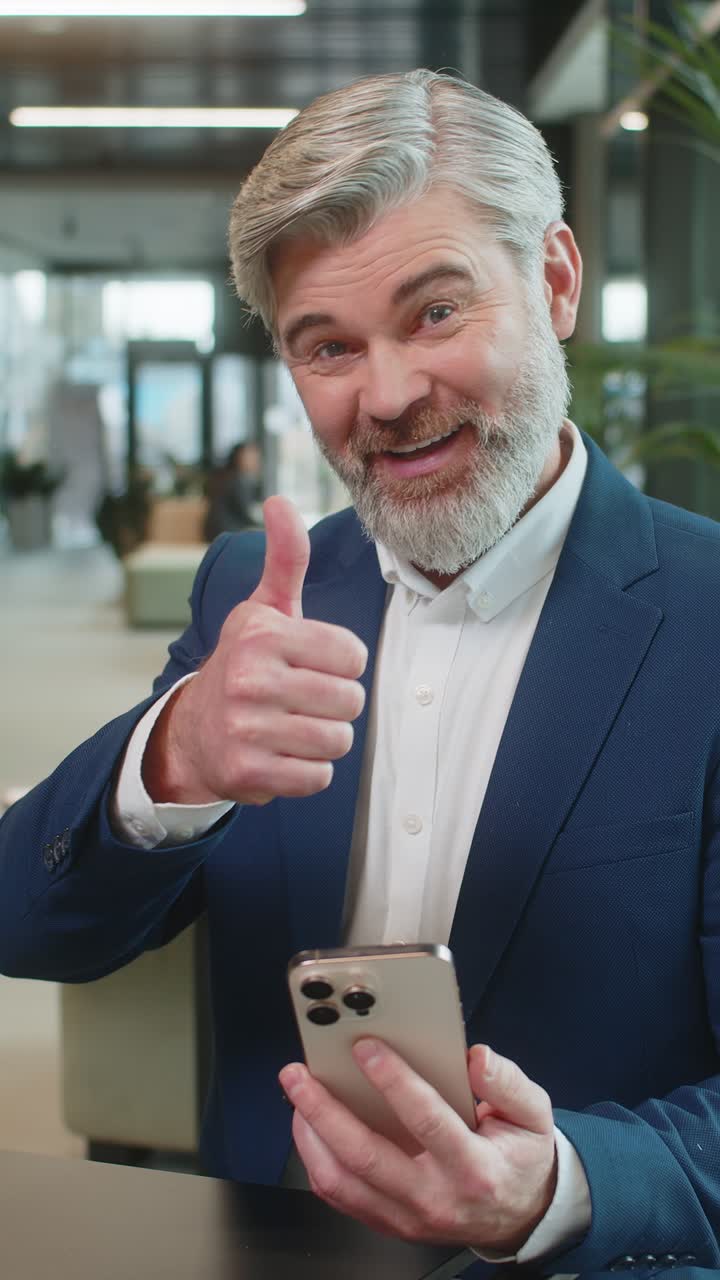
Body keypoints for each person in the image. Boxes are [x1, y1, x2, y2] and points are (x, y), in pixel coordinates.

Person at [1, 68, 719, 1275]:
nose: (387, 396)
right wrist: (175, 752)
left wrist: (565, 1183)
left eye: (435, 312)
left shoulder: (705, 617)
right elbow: (30, 924)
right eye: (328, 346)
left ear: (555, 280)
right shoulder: (254, 596)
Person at [203, 440, 262, 542]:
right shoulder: (238, 480)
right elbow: (246, 512)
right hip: (227, 533)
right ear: (237, 457)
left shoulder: (224, 476)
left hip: (215, 532)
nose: (255, 461)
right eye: (251, 457)